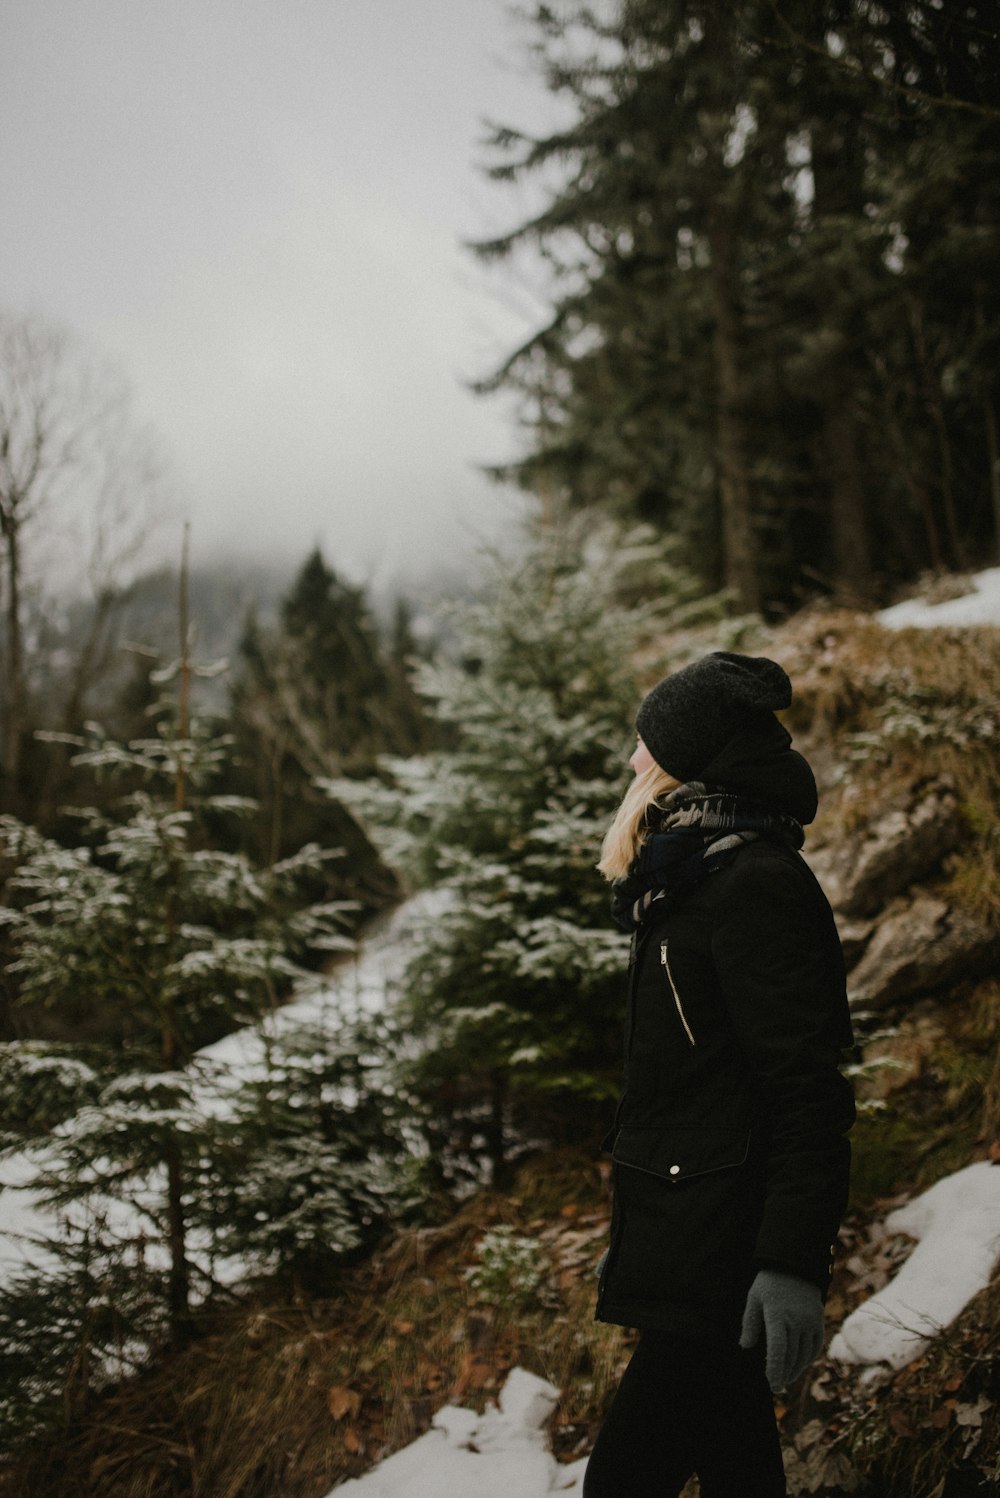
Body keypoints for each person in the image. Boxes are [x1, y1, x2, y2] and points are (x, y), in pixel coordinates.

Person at [584, 652, 855, 1498]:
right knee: (741, 1472)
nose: (633, 760)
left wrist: (790, 1262)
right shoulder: (692, 880)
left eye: (647, 743)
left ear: (688, 761)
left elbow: (808, 1088)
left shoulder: (755, 885)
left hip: (723, 1259)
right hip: (690, 1235)